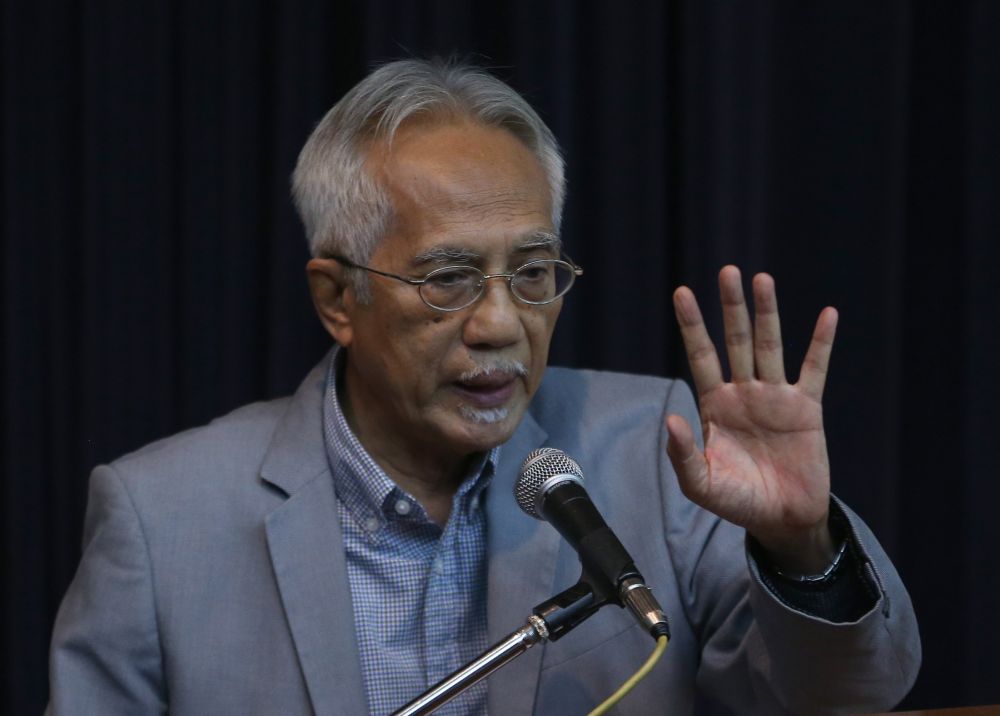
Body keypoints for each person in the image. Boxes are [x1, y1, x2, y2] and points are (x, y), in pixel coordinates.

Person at [47, 59, 920, 715]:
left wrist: (804, 547)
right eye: (449, 277)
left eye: (535, 272)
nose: (502, 322)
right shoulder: (161, 520)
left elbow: (850, 695)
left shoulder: (664, 452)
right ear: (336, 297)